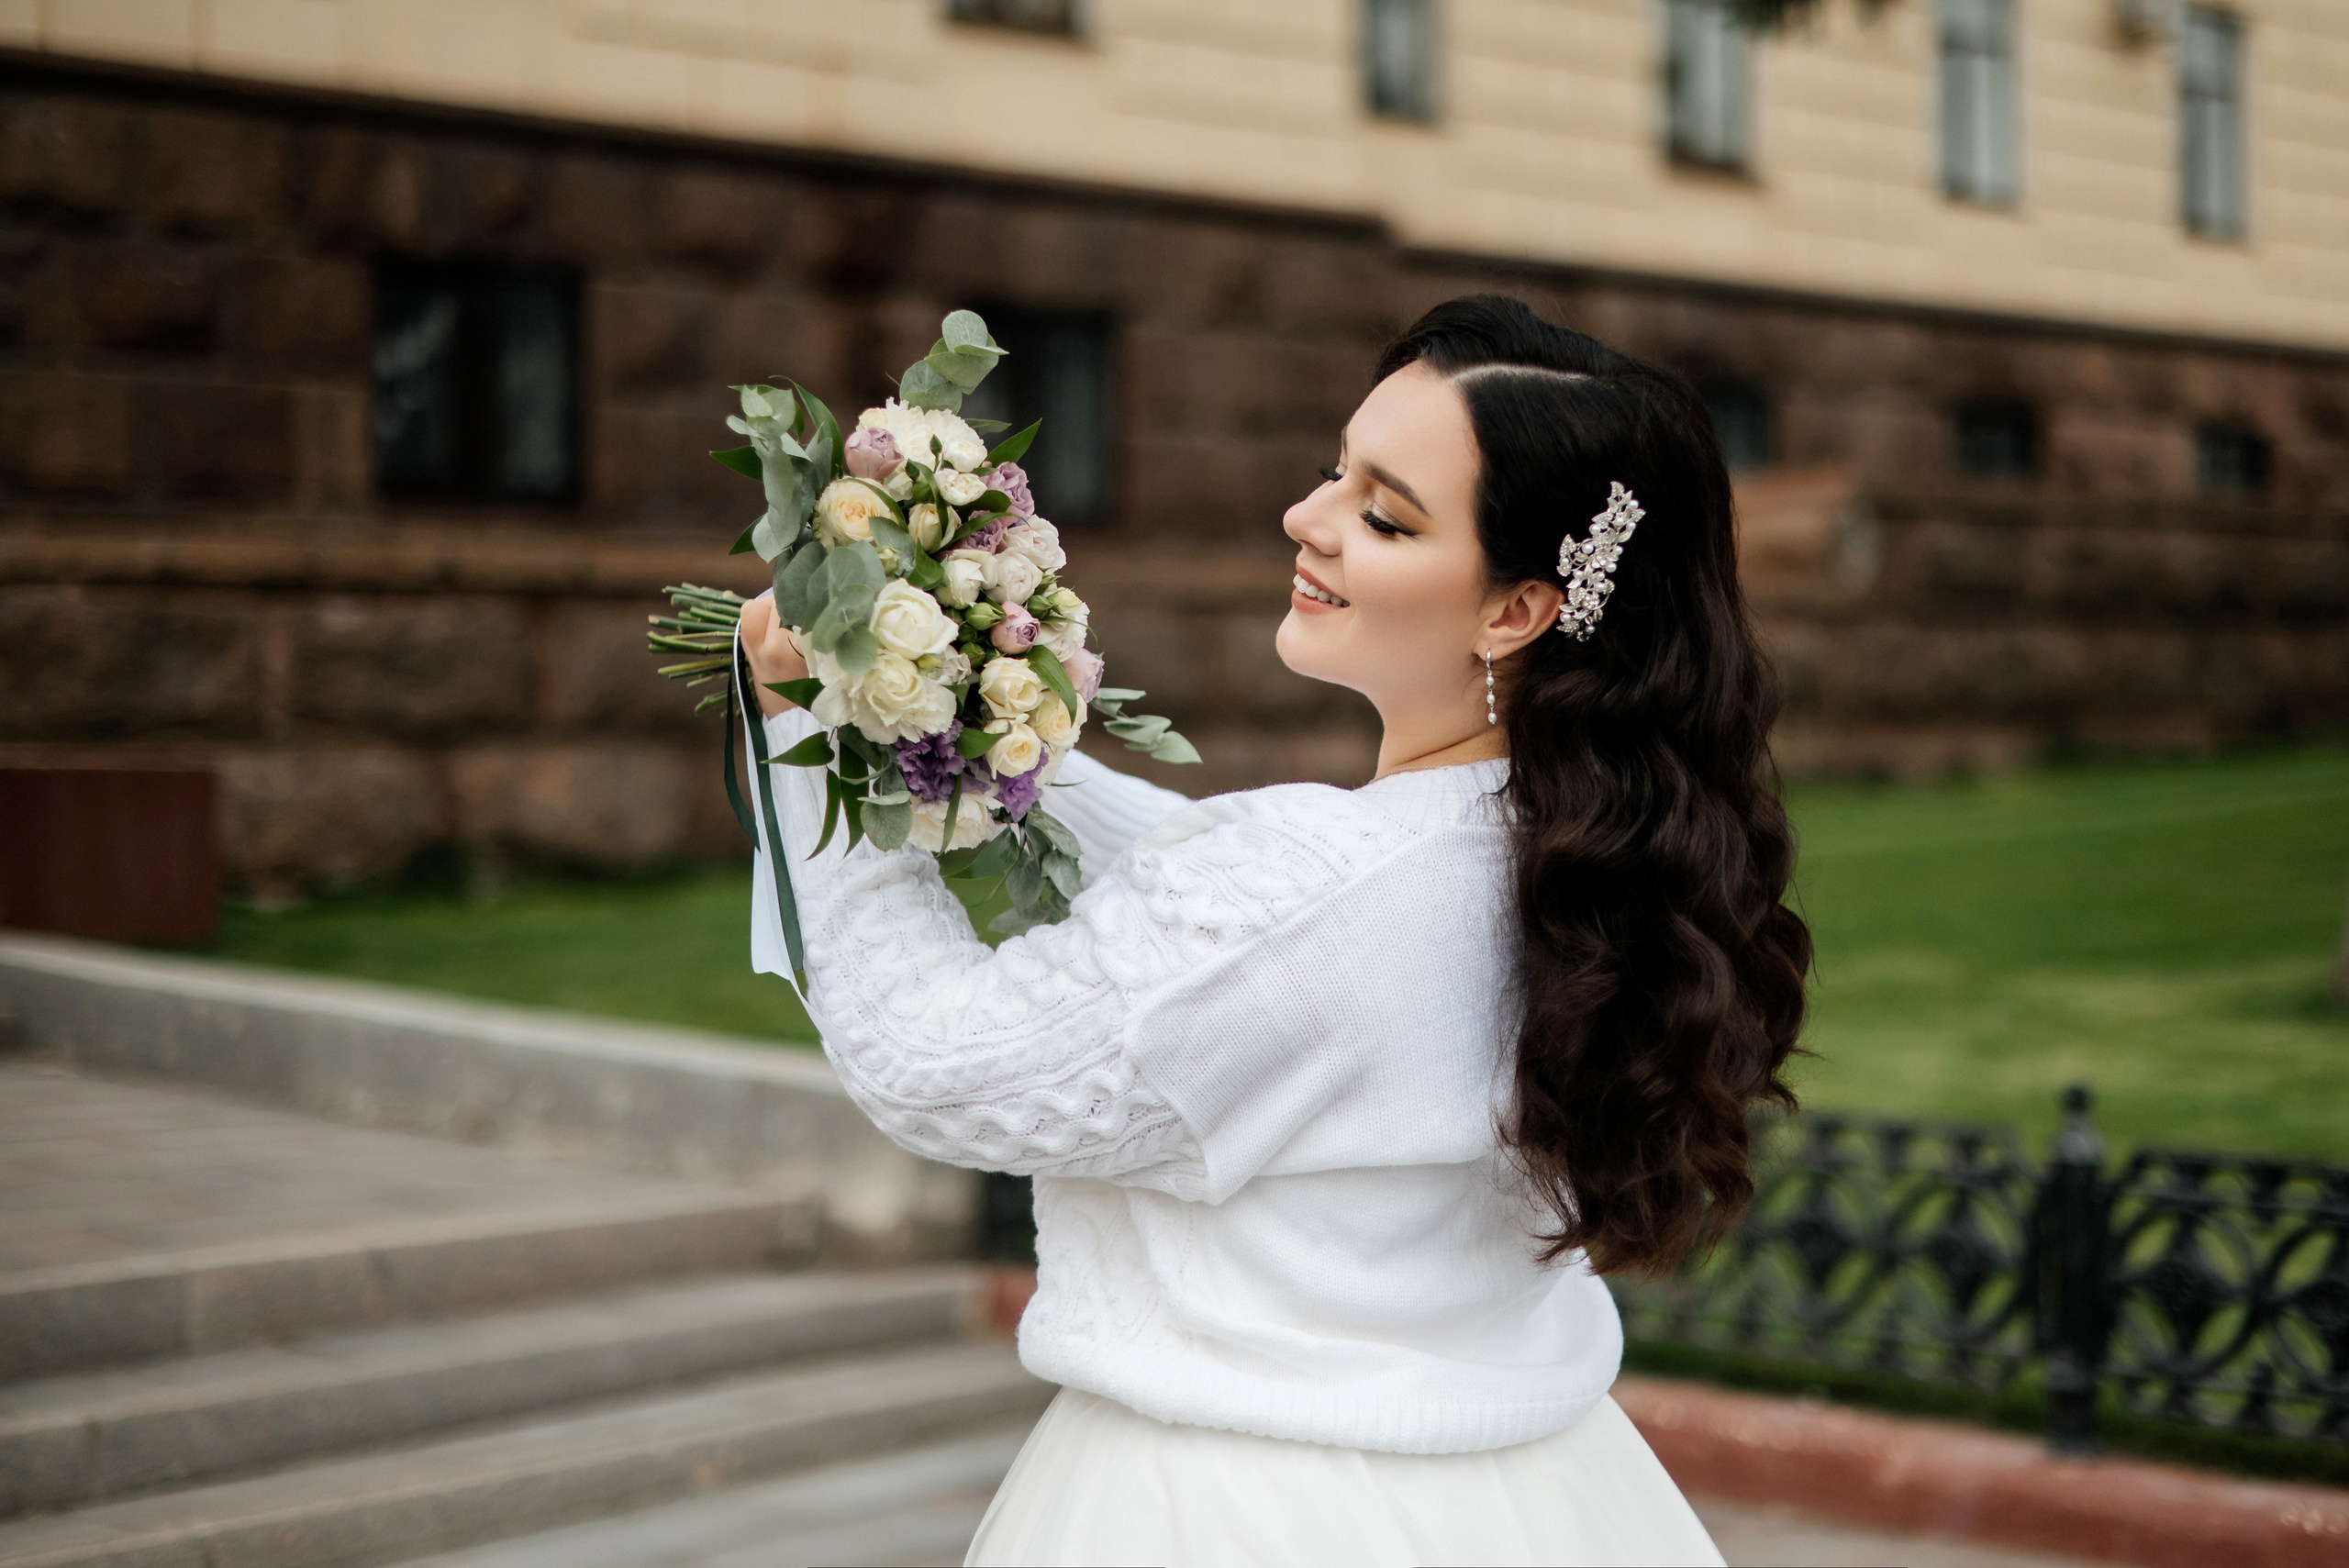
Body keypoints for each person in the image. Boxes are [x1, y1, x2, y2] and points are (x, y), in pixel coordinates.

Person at [736, 294, 1812, 1566]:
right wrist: (945, 703)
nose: (1308, 519)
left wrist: (810, 739)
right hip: (1531, 1497)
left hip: (1233, 1512)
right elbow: (1234, 903)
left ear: (1515, 610)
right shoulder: (1578, 861)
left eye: (1384, 513)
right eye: (1333, 470)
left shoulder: (1312, 892)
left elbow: (936, 1062)